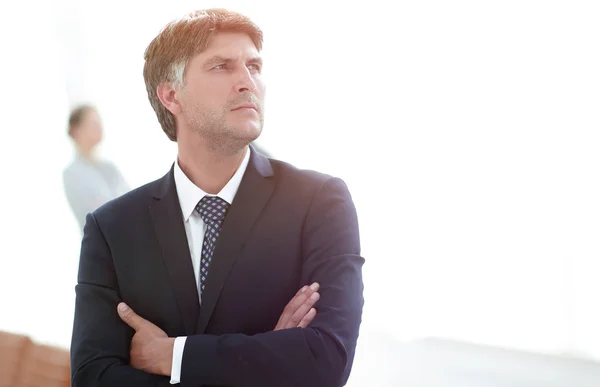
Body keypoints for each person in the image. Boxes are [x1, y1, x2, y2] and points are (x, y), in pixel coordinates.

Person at [70, 8, 364, 387]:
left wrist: (174, 355)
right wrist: (269, 356)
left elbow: (326, 361)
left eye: (254, 66)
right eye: (222, 67)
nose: (247, 82)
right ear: (171, 95)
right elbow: (93, 377)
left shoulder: (320, 203)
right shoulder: (112, 229)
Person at [63, 105, 130, 230]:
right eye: (93, 123)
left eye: (99, 122)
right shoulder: (72, 173)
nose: (99, 127)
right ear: (76, 130)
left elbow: (131, 200)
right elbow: (94, 213)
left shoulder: (109, 167)